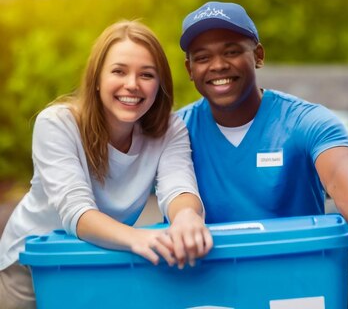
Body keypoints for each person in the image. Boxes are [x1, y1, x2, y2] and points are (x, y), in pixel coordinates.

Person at [177, 1, 348, 289]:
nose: (218, 65)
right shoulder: (175, 131)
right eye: (202, 57)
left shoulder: (305, 120)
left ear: (258, 55)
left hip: (295, 283)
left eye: (232, 51)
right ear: (189, 69)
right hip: (207, 286)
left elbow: (341, 172)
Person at [0, 20, 213, 309]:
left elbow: (178, 187)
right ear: (97, 78)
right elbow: (76, 212)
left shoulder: (169, 129)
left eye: (147, 75)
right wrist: (139, 239)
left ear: (159, 84)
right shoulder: (58, 123)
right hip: (31, 263)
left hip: (98, 254)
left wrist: (187, 217)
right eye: (119, 71)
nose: (132, 84)